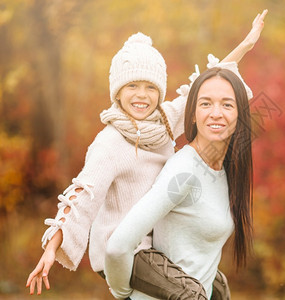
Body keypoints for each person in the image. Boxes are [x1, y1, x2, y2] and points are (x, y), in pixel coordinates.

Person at [26, 9, 267, 297]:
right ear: (117, 91)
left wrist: (245, 46)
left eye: (150, 87)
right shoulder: (110, 143)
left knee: (217, 287)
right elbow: (83, 196)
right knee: (190, 293)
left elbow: (204, 87)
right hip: (122, 247)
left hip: (151, 244)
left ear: (160, 91)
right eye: (132, 86)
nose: (142, 96)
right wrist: (52, 245)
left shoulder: (163, 121)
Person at [105, 66, 254, 300]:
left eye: (227, 104)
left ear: (240, 116)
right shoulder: (184, 171)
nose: (216, 113)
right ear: (193, 114)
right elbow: (118, 246)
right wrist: (123, 294)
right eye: (206, 104)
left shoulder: (225, 171)